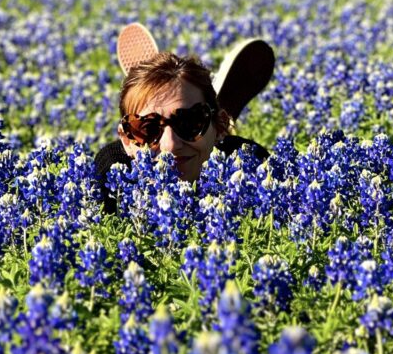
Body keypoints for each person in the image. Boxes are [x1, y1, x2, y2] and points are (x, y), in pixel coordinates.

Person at [94, 23, 275, 214]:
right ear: (126, 140)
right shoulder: (111, 177)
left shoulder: (248, 164)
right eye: (147, 129)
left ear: (221, 127)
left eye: (189, 122)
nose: (170, 145)